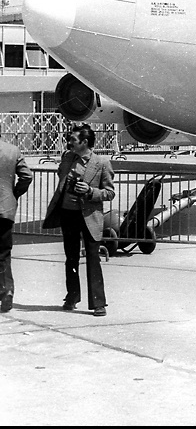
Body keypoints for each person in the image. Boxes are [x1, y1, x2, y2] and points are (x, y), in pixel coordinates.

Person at [41, 123, 115, 316]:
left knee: (92, 258)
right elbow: (61, 175)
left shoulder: (101, 163)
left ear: (84, 142)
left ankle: (98, 303)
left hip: (90, 217)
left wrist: (90, 192)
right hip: (68, 214)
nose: (69, 143)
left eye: (73, 140)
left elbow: (110, 193)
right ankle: (72, 296)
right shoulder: (67, 157)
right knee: (71, 257)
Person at [0, 135, 33, 313]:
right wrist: (14, 194)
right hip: (5, 209)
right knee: (4, 253)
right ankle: (7, 292)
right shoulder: (12, 150)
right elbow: (27, 176)